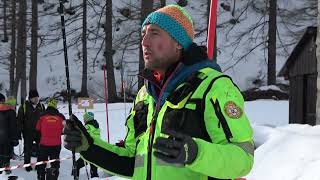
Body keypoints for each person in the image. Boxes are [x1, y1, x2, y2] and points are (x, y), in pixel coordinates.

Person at [63, 4, 254, 180]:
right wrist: (89, 147)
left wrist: (196, 153)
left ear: (178, 43)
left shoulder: (213, 87)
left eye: (154, 33)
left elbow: (243, 157)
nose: (144, 41)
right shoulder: (145, 95)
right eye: (143, 34)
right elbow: (134, 162)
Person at [36, 98, 65, 180]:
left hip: (44, 144)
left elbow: (37, 129)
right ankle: (53, 176)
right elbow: (64, 129)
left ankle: (41, 176)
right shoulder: (61, 117)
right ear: (55, 107)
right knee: (55, 163)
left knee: (42, 162)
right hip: (56, 144)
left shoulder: (42, 116)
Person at [17, 89, 45, 172]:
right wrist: (20, 131)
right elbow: (19, 120)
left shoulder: (41, 106)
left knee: (41, 149)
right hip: (28, 132)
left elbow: (44, 119)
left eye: (37, 97)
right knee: (27, 149)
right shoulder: (24, 107)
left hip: (39, 132)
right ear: (30, 98)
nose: (36, 99)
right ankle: (27, 164)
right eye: (34, 98)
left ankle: (39, 165)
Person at [73, 112, 100, 178]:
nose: (84, 119)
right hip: (96, 149)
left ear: (87, 119)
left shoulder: (87, 127)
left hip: (89, 150)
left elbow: (84, 136)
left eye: (84, 118)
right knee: (93, 168)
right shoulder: (96, 126)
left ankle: (75, 177)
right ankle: (95, 177)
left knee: (76, 166)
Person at [0, 93, 19, 175]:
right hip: (7, 137)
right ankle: (6, 168)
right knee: (7, 153)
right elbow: (13, 127)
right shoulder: (11, 111)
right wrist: (15, 138)